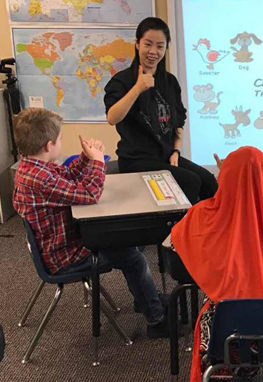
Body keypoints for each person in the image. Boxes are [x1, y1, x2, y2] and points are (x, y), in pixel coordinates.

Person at [12, 108, 172, 338]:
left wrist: (87, 157)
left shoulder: (34, 167)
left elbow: (69, 177)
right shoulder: (39, 179)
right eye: (60, 139)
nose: (61, 143)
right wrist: (98, 162)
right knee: (133, 256)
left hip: (63, 242)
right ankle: (156, 320)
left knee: (133, 243)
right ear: (49, 145)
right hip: (66, 256)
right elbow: (89, 194)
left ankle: (146, 299)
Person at [170, 146, 263, 382]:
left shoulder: (202, 214)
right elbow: (247, 189)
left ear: (225, 177)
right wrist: (233, 176)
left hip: (227, 334)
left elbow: (176, 239)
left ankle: (224, 374)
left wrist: (226, 178)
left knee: (214, 315)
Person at [104, 17, 217, 203]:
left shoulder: (169, 81)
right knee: (190, 182)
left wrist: (176, 151)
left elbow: (178, 121)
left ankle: (202, 228)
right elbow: (112, 117)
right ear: (137, 44)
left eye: (160, 46)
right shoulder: (122, 81)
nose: (153, 51)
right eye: (148, 44)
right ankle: (178, 231)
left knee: (209, 182)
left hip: (166, 156)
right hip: (136, 160)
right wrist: (138, 87)